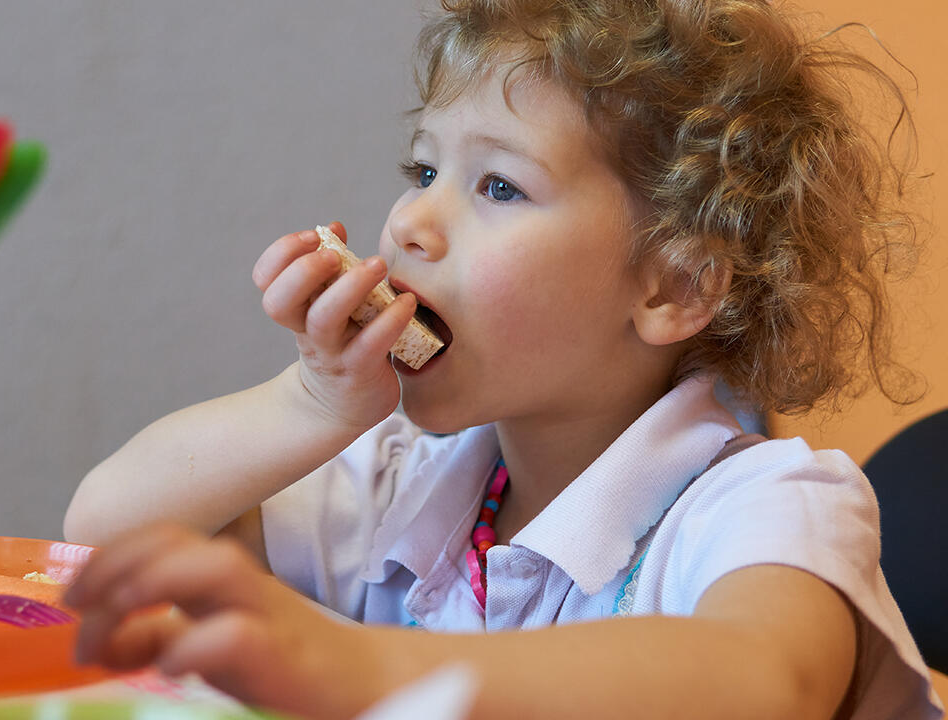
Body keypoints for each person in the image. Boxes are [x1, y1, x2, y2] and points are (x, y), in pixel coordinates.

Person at [63, 1, 941, 718]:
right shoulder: (412, 483)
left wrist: (364, 668)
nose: (411, 223)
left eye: (498, 186)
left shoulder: (771, 504)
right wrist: (312, 404)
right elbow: (102, 533)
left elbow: (764, 683)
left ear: (673, 286)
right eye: (421, 171)